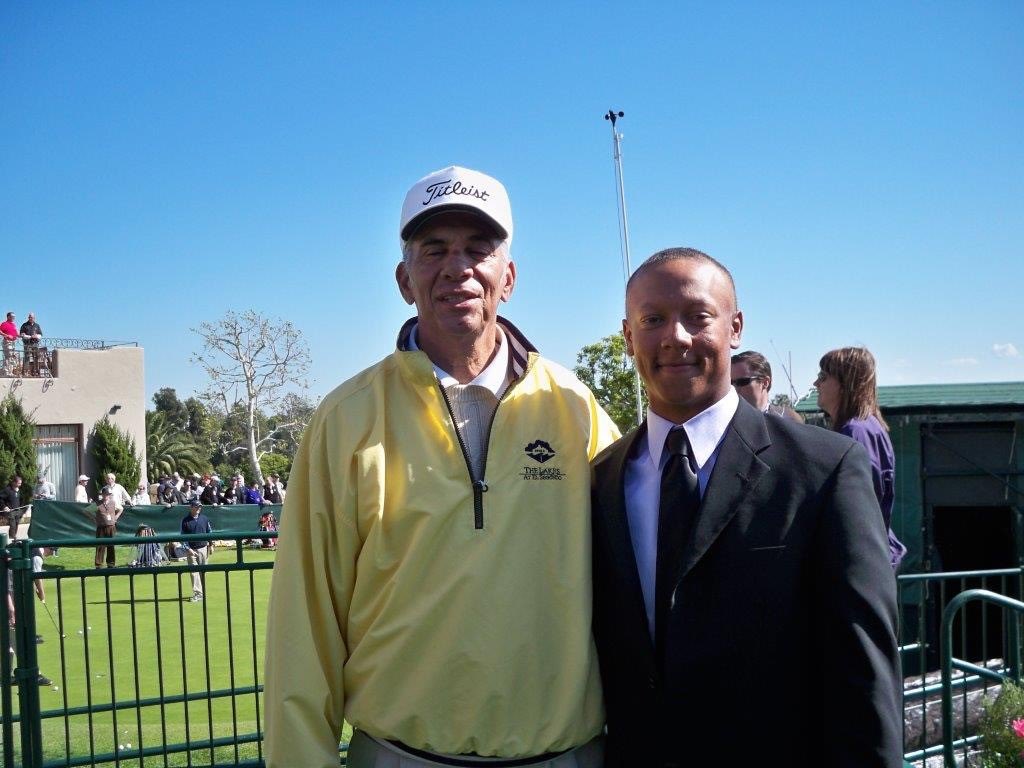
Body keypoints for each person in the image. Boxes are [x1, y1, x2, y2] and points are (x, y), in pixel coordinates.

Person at [263, 165, 619, 768]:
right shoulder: (347, 417)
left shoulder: (574, 407)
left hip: (566, 756)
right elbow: (306, 615)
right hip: (400, 755)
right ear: (405, 280)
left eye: (479, 249)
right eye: (435, 250)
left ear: (509, 277)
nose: (459, 268)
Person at [590, 248, 902, 767]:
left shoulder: (825, 469)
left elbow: (864, 671)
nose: (676, 337)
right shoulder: (601, 480)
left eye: (698, 316)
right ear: (628, 336)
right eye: (653, 320)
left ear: (734, 327)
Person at [816, 346, 908, 569]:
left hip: (859, 563)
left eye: (823, 377)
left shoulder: (856, 432)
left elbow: (857, 509)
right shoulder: (866, 427)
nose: (816, 384)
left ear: (844, 383)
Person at [730, 350, 804, 422]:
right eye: (730, 382)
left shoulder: (788, 420)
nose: (734, 388)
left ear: (765, 382)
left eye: (742, 382)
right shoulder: (726, 421)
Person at [180, 499, 212, 602]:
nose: (199, 508)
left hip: (203, 548)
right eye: (196, 506)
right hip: (191, 551)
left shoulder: (204, 518)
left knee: (203, 572)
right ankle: (198, 593)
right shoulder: (185, 521)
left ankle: (202, 592)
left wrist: (211, 545)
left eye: (200, 507)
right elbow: (182, 537)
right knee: (194, 572)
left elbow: (209, 532)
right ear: (191, 507)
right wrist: (188, 548)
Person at [94, 488, 123, 567]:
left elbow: (121, 509)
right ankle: (98, 565)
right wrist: (94, 520)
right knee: (100, 546)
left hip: (111, 527)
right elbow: (86, 511)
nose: (107, 496)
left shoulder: (113, 502)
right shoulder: (98, 503)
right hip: (101, 527)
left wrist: (115, 518)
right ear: (102, 494)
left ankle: (111, 564)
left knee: (111, 546)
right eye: (106, 494)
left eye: (109, 494)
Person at [0, 476, 25, 540]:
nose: (20, 485)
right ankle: (12, 537)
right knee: (12, 524)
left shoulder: (19, 490)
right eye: (19, 483)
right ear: (14, 482)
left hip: (17, 511)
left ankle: (14, 536)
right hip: (10, 511)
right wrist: (4, 506)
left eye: (20, 483)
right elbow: (0, 499)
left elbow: (21, 500)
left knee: (17, 523)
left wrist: (21, 509)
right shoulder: (7, 490)